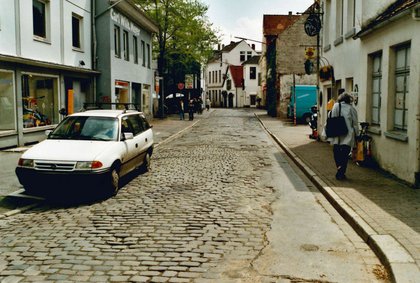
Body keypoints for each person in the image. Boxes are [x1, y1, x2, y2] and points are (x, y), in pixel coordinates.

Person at [325, 92, 359, 180]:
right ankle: (341, 171)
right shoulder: (351, 109)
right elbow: (355, 124)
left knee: (336, 152)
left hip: (337, 134)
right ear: (349, 100)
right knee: (345, 154)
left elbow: (330, 117)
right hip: (348, 135)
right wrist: (357, 135)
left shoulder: (336, 106)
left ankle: (339, 168)